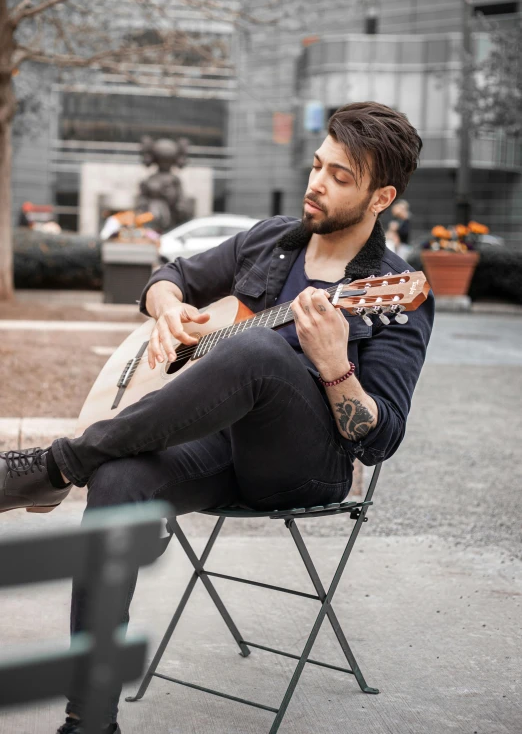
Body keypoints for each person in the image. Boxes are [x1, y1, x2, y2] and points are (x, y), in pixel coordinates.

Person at [0, 102, 434, 734]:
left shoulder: (394, 292)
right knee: (121, 483)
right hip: (218, 448)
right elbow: (166, 276)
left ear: (381, 196)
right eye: (317, 165)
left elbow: (381, 438)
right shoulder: (270, 241)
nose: (316, 182)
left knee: (255, 351)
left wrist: (337, 367)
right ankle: (89, 720)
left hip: (304, 466)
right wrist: (168, 308)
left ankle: (56, 464)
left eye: (341, 176)